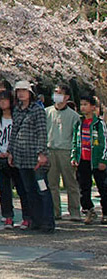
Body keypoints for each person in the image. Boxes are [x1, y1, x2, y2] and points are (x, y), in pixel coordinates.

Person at [8, 80, 54, 234]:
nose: (21, 93)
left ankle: (48, 221)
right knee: (29, 191)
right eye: (18, 91)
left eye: (24, 90)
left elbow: (42, 132)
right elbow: (13, 132)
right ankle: (35, 220)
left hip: (35, 157)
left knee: (42, 189)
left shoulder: (37, 110)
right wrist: (11, 152)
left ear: (30, 93)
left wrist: (42, 153)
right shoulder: (17, 110)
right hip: (21, 156)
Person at [0, 85, 26, 227]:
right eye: (0, 100)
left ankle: (26, 216)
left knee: (21, 188)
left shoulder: (18, 117)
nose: (2, 102)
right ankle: (7, 216)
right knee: (4, 190)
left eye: (5, 100)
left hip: (15, 157)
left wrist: (11, 152)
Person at [46, 83, 82, 221]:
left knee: (71, 183)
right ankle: (55, 211)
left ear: (66, 97)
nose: (56, 95)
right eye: (55, 92)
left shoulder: (74, 116)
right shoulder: (47, 112)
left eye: (59, 93)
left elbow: (76, 137)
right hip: (50, 150)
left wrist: (75, 154)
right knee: (52, 184)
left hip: (66, 151)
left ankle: (74, 212)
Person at [71, 92, 107, 225]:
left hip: (96, 161)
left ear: (93, 107)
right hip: (83, 160)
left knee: (102, 187)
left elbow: (104, 143)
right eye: (81, 105)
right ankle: (89, 210)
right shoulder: (79, 123)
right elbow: (75, 141)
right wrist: (74, 156)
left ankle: (105, 212)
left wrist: (103, 160)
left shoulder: (99, 124)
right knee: (83, 187)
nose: (83, 107)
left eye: (86, 105)